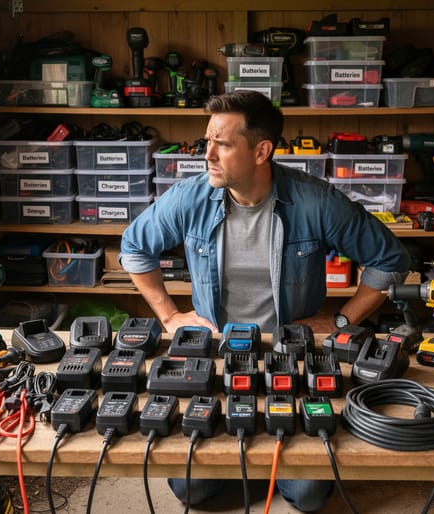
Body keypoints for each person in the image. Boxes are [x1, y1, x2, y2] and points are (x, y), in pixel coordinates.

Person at [119, 90, 410, 512]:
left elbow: (390, 259)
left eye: (222, 143)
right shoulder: (190, 197)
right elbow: (134, 248)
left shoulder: (316, 201)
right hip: (214, 354)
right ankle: (249, 452)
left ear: (261, 150)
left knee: (308, 497)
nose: (208, 155)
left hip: (288, 357)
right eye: (207, 141)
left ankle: (266, 453)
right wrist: (170, 316)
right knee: (191, 491)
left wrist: (344, 322)